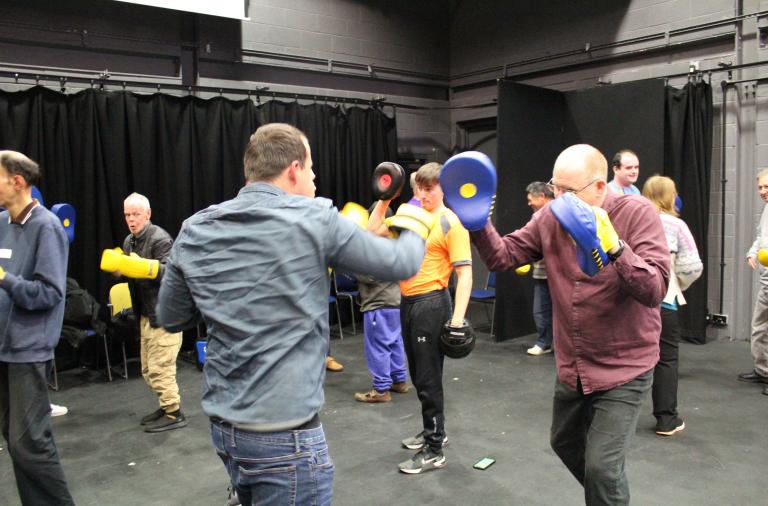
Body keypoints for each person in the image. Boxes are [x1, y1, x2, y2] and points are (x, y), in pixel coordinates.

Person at [156, 123, 426, 505]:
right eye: (312, 169)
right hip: (286, 438)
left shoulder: (195, 228)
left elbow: (170, 316)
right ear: (295, 169)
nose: (315, 179)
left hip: (225, 429)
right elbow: (403, 261)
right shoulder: (315, 218)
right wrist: (418, 212)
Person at [467, 144, 669, 505]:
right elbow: (503, 256)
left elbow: (655, 290)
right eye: (555, 188)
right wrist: (479, 223)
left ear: (600, 188)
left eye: (568, 191)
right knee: (565, 444)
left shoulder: (637, 213)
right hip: (574, 364)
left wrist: (617, 248)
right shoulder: (551, 217)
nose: (559, 198)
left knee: (602, 469)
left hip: (625, 367)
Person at [374, 162, 472, 475]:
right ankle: (431, 429)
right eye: (420, 187)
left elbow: (465, 274)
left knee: (428, 378)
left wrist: (457, 319)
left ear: (444, 189)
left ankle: (434, 448)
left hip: (432, 303)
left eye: (430, 188)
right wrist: (386, 197)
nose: (423, 193)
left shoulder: (450, 223)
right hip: (408, 301)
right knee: (418, 375)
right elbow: (373, 229)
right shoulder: (409, 214)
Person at [0, 150, 75, 505]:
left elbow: (48, 293)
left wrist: (4, 279)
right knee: (15, 441)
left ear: (18, 181)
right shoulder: (1, 223)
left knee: (31, 444)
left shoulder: (46, 227)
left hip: (28, 349)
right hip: (3, 349)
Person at [642, 175, 703, 435]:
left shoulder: (632, 222)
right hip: (665, 301)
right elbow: (692, 267)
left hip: (632, 303)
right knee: (666, 359)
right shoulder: (677, 226)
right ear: (670, 196)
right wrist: (677, 284)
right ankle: (666, 420)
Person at [122, 192, 186, 433]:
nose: (131, 219)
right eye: (127, 214)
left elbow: (172, 271)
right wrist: (121, 268)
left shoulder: (159, 238)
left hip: (164, 313)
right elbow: (131, 272)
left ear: (147, 214)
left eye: (136, 214)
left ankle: (174, 413)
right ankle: (165, 405)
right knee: (148, 370)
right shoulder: (130, 241)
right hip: (145, 313)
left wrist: (144, 267)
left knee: (161, 368)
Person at [353, 202, 409, 403]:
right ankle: (399, 381)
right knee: (394, 342)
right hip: (394, 301)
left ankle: (381, 390)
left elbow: (369, 275)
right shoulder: (397, 242)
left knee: (378, 346)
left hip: (379, 304)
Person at [741, 168, 768, 394]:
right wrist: (752, 252)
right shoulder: (766, 209)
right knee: (759, 328)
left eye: (766, 187)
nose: (762, 191)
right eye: (760, 187)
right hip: (766, 281)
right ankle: (762, 370)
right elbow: (761, 237)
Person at [524, 181, 555, 356]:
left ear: (542, 196)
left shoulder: (553, 214)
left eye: (531, 199)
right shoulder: (538, 216)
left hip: (556, 274)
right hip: (542, 273)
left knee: (556, 312)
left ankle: (550, 344)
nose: (529, 203)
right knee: (542, 311)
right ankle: (544, 343)